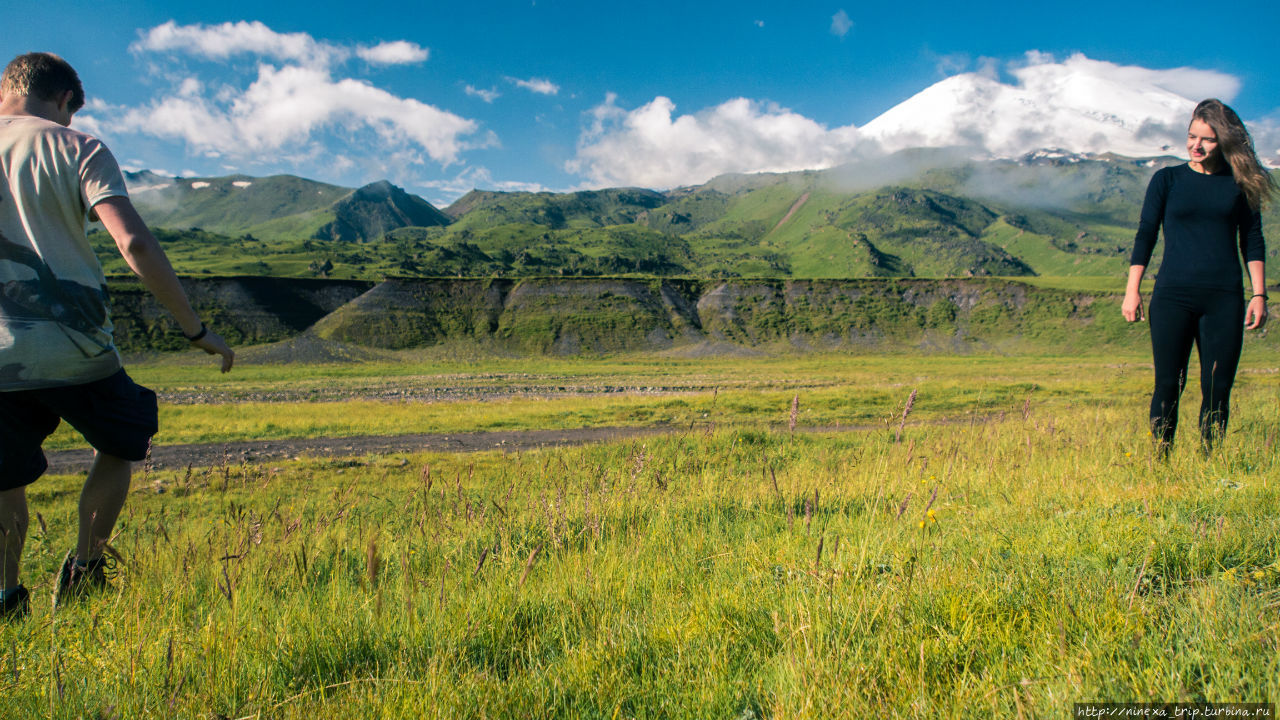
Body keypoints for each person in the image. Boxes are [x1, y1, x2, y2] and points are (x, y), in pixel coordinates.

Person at [0, 52, 234, 620]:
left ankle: (6, 598)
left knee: (3, 475)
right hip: (77, 347)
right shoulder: (75, 146)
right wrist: (195, 331)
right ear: (62, 101)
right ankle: (83, 569)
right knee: (124, 438)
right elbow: (134, 244)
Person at [1123, 98, 1276, 456]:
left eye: (1206, 139)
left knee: (1217, 386)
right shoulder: (1167, 180)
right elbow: (1145, 234)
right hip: (1172, 295)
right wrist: (1133, 291)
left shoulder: (1240, 184)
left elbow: (1252, 240)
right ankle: (1161, 460)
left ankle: (1211, 463)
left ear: (1223, 141)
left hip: (1223, 298)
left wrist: (1259, 295)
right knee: (1167, 384)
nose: (1196, 145)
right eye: (1192, 136)